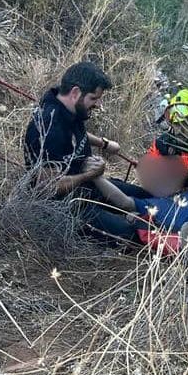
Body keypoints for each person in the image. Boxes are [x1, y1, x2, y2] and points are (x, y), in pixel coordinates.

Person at [23, 61, 143, 242]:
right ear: (75, 93)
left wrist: (103, 143)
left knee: (143, 197)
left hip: (89, 184)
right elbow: (47, 187)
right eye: (94, 99)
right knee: (131, 236)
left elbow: (74, 132)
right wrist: (88, 175)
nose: (98, 105)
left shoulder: (67, 106)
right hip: (68, 205)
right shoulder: (49, 128)